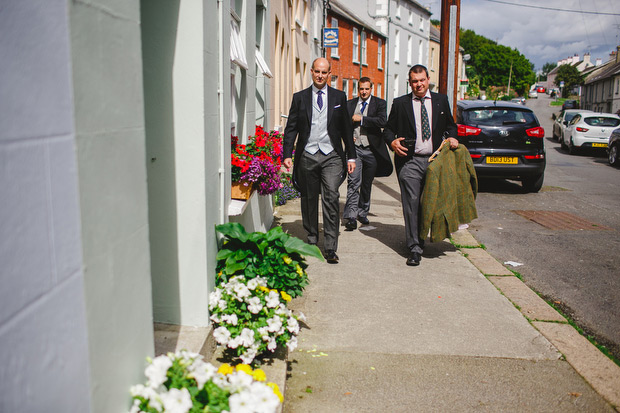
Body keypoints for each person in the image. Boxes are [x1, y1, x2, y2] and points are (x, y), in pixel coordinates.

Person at [383, 64, 459, 266]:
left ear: (428, 79)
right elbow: (388, 130)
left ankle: (426, 235)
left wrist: (452, 138)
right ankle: (414, 248)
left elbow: (451, 126)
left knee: (430, 203)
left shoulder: (441, 101)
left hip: (435, 161)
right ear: (410, 83)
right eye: (415, 81)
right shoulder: (401, 104)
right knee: (412, 203)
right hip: (410, 161)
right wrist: (392, 142)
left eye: (422, 80)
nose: (419, 84)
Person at [283, 57, 356, 264]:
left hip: (331, 155)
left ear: (329, 74)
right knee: (309, 197)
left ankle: (330, 247)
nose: (320, 75)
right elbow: (292, 128)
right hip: (307, 154)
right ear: (312, 72)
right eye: (317, 71)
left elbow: (345, 129)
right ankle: (312, 235)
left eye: (324, 72)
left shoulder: (339, 97)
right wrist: (287, 154)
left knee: (331, 196)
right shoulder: (300, 98)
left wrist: (351, 156)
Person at [343, 77, 393, 230]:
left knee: (366, 184)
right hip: (355, 149)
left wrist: (362, 119)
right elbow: (343, 124)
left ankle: (362, 211)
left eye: (366, 89)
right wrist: (348, 134)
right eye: (361, 89)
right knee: (353, 182)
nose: (364, 92)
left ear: (371, 89)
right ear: (358, 89)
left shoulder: (380, 103)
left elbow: (382, 121)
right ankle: (351, 216)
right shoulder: (350, 104)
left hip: (372, 150)